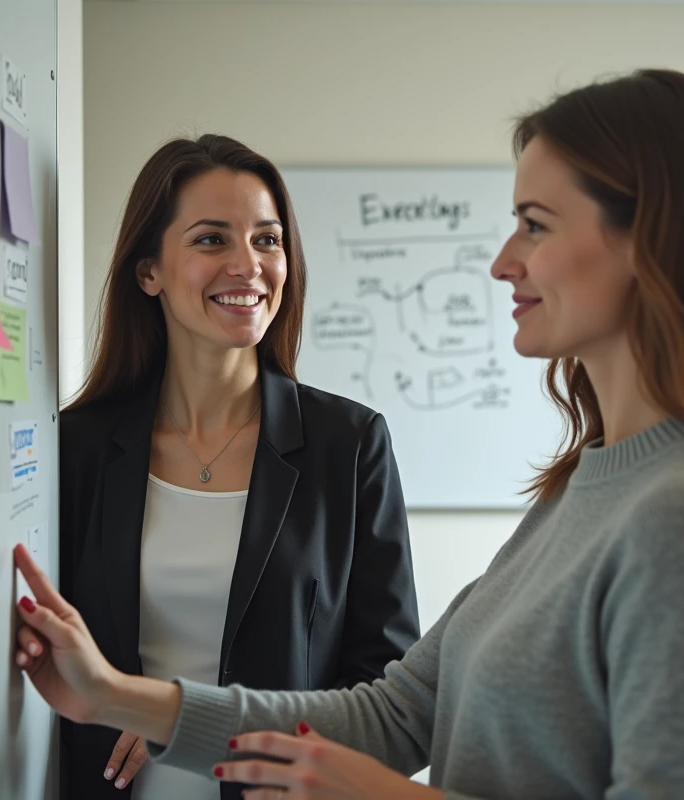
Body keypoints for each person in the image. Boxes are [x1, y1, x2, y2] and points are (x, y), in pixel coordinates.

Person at [18, 70, 684, 799]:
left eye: (534, 222)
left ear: (651, 239)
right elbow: (392, 712)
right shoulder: (585, 487)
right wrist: (111, 696)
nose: (502, 261)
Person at [57, 134, 420, 800]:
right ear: (148, 273)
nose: (248, 265)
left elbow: (388, 691)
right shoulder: (78, 449)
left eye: (267, 240)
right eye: (210, 240)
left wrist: (179, 717)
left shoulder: (351, 443)